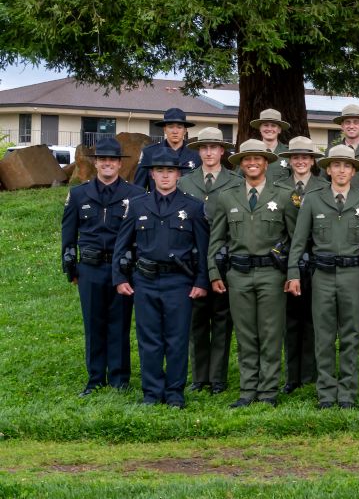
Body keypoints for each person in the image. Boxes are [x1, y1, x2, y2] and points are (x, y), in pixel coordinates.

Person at [286, 145, 359, 409]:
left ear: (354, 171)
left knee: (352, 335)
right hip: (323, 274)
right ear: (328, 169)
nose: (341, 170)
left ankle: (348, 393)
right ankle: (327, 393)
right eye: (336, 165)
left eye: (347, 166)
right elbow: (299, 242)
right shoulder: (314, 200)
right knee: (324, 335)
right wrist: (293, 273)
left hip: (354, 275)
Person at [112, 149, 209, 408]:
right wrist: (120, 277)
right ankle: (152, 392)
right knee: (149, 339)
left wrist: (201, 282)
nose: (165, 176)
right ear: (152, 174)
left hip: (179, 282)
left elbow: (203, 248)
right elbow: (122, 245)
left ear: (178, 174)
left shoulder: (194, 207)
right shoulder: (137, 205)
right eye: (160, 171)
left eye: (170, 171)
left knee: (177, 339)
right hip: (145, 280)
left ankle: (175, 392)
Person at [207, 139, 297, 408]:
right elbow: (217, 239)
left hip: (272, 274)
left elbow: (296, 239)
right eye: (247, 159)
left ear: (266, 162)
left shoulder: (284, 195)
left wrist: (292, 273)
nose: (252, 163)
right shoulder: (227, 196)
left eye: (257, 158)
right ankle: (247, 390)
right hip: (238, 274)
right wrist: (214, 272)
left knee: (270, 333)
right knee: (246, 334)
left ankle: (268, 390)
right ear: (241, 164)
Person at [61, 137, 146, 396]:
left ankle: (120, 379)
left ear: (120, 164)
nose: (107, 164)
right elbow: (69, 233)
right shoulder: (78, 194)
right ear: (96, 163)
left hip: (121, 269)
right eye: (102, 159)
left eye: (113, 160)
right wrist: (70, 267)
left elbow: (140, 236)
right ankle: (95, 378)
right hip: (90, 268)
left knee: (119, 323)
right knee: (93, 323)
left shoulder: (136, 195)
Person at [177, 127, 238, 395]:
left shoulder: (235, 182)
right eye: (204, 148)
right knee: (197, 321)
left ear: (222, 151)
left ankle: (218, 379)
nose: (209, 152)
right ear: (198, 151)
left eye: (214, 147)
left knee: (222, 320)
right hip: (192, 260)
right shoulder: (185, 183)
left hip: (225, 258)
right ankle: (199, 377)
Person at [273, 136, 327, 393]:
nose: (300, 161)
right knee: (291, 320)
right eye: (296, 157)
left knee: (314, 319)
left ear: (313, 160)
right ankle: (291, 376)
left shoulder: (324, 186)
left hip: (317, 259)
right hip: (288, 259)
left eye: (305, 157)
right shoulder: (278, 186)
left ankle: (310, 374)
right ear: (289, 160)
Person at [133, 107, 198, 190]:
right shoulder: (149, 153)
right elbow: (138, 188)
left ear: (185, 130)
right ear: (164, 129)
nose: (175, 131)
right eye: (171, 127)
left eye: (179, 127)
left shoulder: (196, 155)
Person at [250, 108, 292, 179]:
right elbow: (238, 179)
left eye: (273, 125)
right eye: (266, 125)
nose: (269, 129)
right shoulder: (249, 152)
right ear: (260, 128)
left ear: (279, 130)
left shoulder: (289, 153)